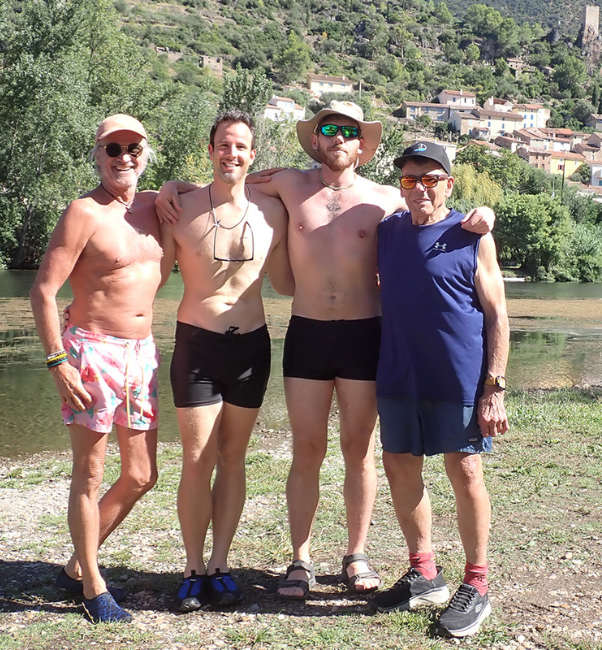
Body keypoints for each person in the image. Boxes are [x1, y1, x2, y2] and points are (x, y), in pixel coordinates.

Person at [156, 101, 493, 600]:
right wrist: (170, 187)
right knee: (307, 449)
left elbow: (436, 213)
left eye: (349, 131)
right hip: (307, 332)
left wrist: (483, 215)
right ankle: (301, 558)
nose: (339, 137)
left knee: (359, 450)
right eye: (329, 128)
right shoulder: (287, 184)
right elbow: (227, 180)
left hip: (365, 333)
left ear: (362, 145)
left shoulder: (386, 198)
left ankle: (357, 553)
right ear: (315, 139)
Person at [370, 141, 509, 639]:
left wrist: (494, 386)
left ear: (449, 184)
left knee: (465, 470)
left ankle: (477, 583)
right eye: (410, 179)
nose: (420, 188)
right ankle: (424, 572)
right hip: (399, 373)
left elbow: (497, 315)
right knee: (399, 465)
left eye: (431, 179)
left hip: (459, 377)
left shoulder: (472, 235)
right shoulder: (387, 231)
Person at [30, 114, 163, 623]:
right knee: (89, 473)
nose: (123, 157)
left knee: (141, 474)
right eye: (113, 149)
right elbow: (44, 291)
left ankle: (73, 568)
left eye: (133, 148)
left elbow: (223, 185)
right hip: (91, 351)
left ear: (145, 153)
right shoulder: (83, 212)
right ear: (97, 155)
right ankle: (92, 584)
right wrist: (57, 361)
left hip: (141, 354)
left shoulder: (157, 206)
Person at [159, 109, 292, 612]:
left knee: (233, 457)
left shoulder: (273, 213)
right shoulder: (179, 207)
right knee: (198, 458)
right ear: (210, 149)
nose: (231, 153)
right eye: (223, 144)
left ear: (252, 154)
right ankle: (193, 567)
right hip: (197, 344)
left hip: (251, 347)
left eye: (240, 146)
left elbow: (290, 280)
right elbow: (143, 270)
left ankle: (219, 563)